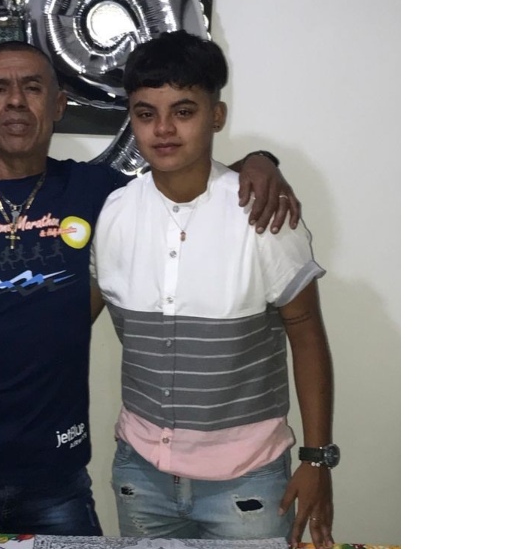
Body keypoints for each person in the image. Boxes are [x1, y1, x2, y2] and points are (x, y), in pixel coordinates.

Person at [0, 39, 300, 537]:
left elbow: (183, 172)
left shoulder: (102, 194)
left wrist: (260, 161)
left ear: (58, 105)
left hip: (56, 476)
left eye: (33, 88)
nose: (16, 101)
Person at [90, 30, 336, 549]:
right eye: (145, 113)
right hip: (140, 474)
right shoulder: (114, 214)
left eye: (183, 111)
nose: (163, 129)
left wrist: (317, 460)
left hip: (248, 481)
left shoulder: (263, 215)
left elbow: (307, 335)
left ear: (216, 115)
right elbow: (66, 321)